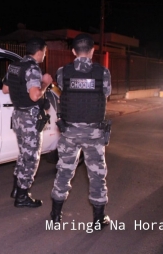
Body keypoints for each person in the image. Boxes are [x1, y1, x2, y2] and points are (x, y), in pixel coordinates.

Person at [50, 33, 112, 229]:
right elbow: (106, 94)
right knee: (97, 175)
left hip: (69, 132)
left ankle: (55, 216)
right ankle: (98, 219)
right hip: (94, 134)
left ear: (74, 51)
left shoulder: (62, 72)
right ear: (93, 51)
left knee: (64, 171)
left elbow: (62, 91)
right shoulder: (103, 73)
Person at [2, 38, 53, 208]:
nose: (44, 56)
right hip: (30, 119)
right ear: (39, 51)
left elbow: (5, 89)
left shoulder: (14, 66)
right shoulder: (32, 69)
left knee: (24, 154)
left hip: (17, 116)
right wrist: (45, 82)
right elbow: (35, 96)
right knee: (31, 157)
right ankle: (22, 196)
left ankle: (16, 189)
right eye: (44, 52)